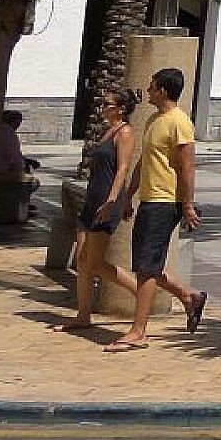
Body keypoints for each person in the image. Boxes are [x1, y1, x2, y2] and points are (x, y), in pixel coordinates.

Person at [106, 68, 208, 351]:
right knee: (145, 266)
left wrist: (187, 204)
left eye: (152, 87)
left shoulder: (179, 122)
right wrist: (129, 195)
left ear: (162, 90)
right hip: (149, 199)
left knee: (147, 268)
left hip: (165, 202)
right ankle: (189, 297)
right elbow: (144, 161)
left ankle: (139, 332)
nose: (148, 91)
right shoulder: (154, 119)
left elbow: (188, 167)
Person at [53, 88, 139, 333]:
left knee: (95, 263)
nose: (103, 107)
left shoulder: (125, 132)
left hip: (106, 200)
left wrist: (113, 200)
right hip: (92, 198)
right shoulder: (107, 131)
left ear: (121, 109)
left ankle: (139, 291)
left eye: (108, 104)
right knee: (82, 260)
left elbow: (122, 169)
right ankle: (83, 316)